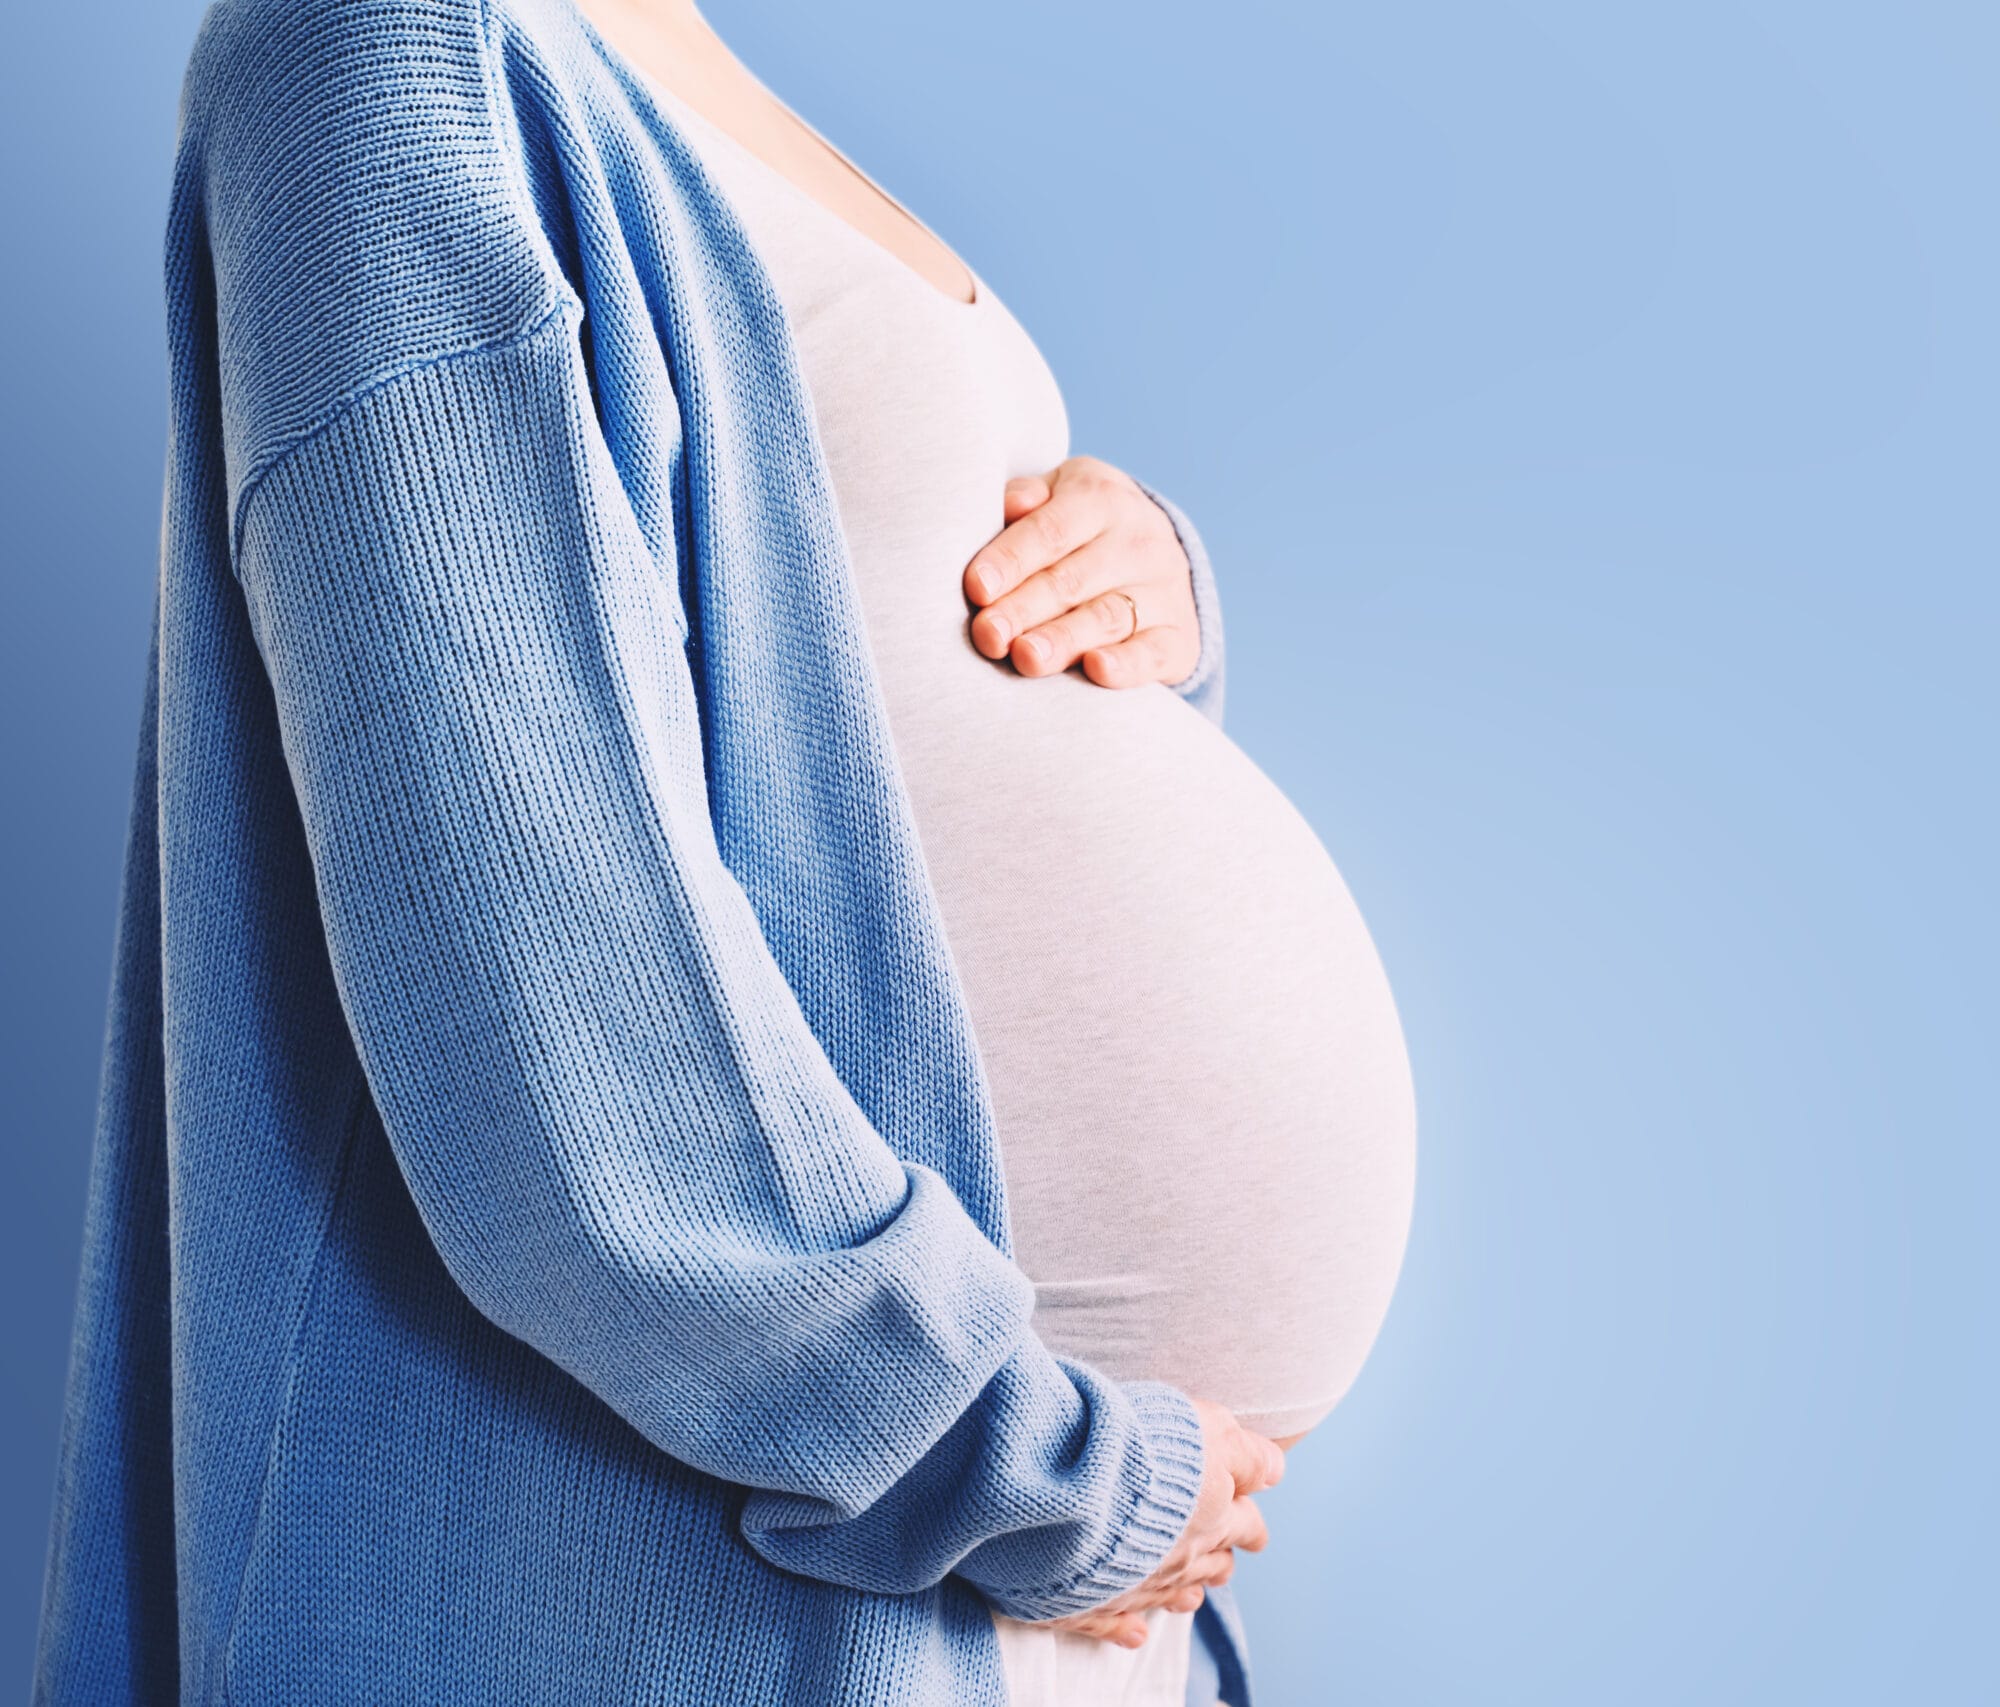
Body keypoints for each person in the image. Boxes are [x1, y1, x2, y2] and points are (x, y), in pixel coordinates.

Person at [35, 0, 1414, 1702]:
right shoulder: (378, 57)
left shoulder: (668, 47)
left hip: (1024, 1593)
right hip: (742, 1566)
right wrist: (1024, 1464)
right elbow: (545, 997)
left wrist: (1135, 610)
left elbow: (848, 714)